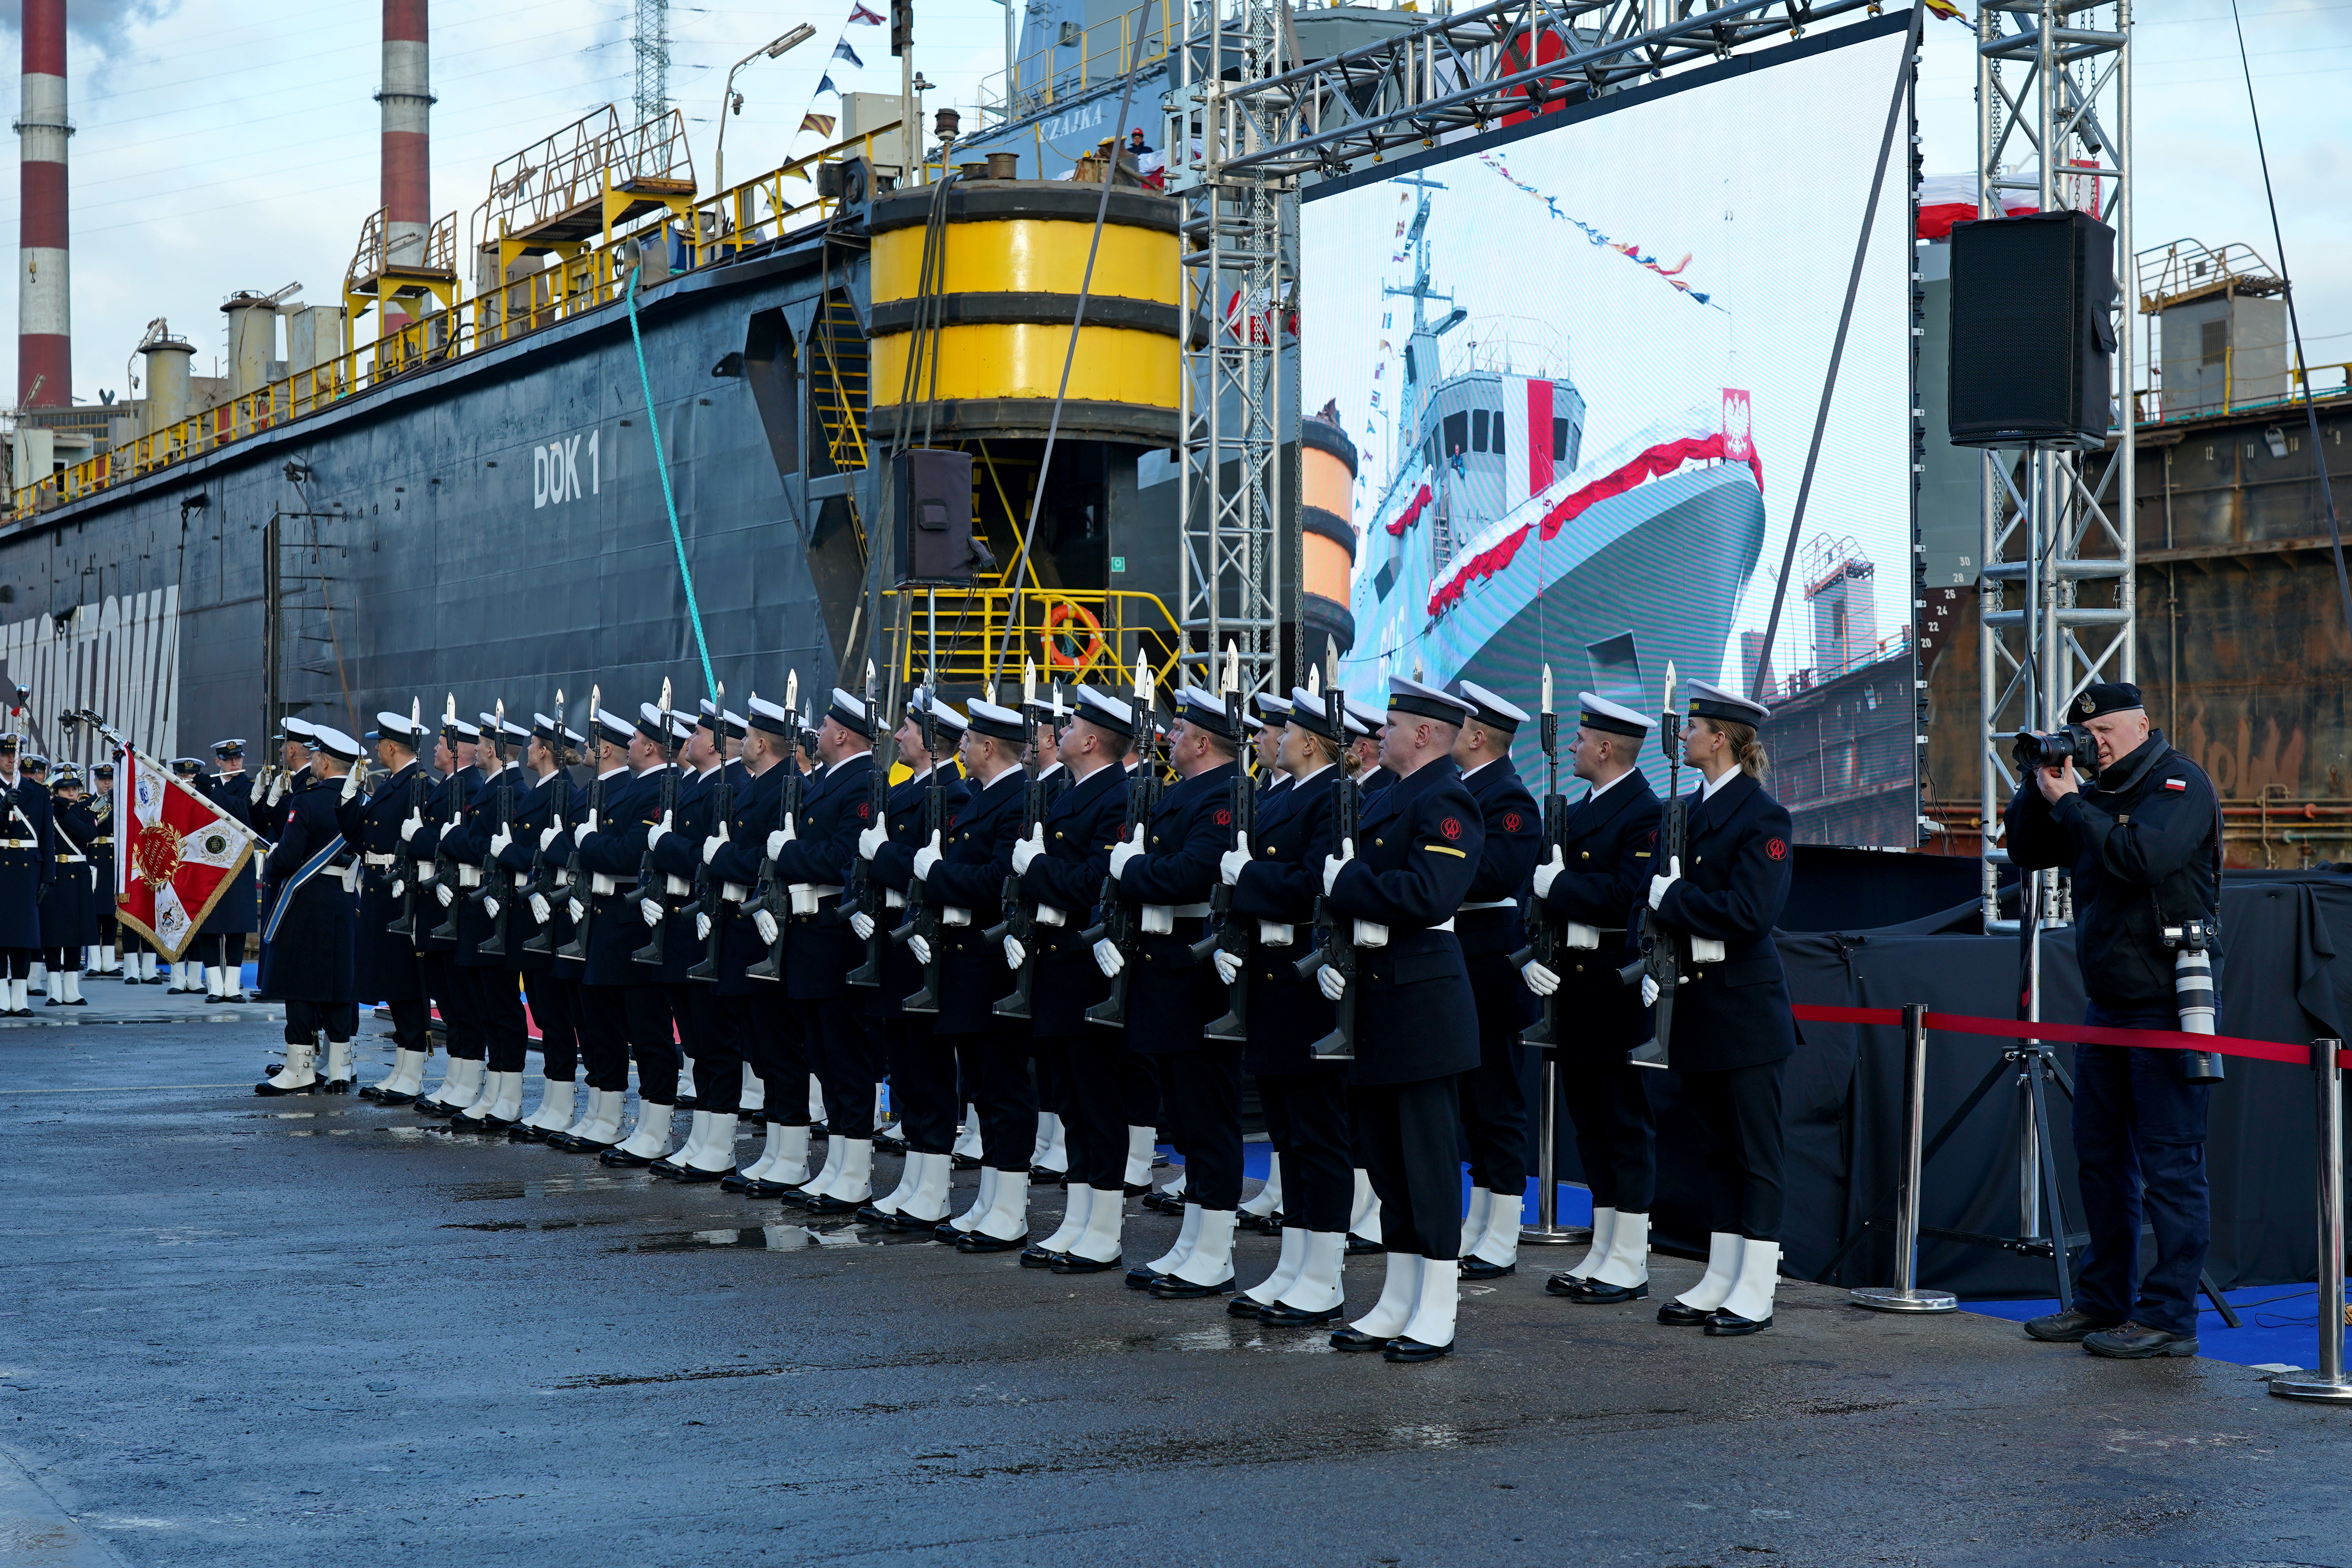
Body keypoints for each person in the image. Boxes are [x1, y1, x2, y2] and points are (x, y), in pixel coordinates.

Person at [2004, 680, 2223, 1360]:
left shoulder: (2180, 784)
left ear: (2140, 725)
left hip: (2166, 1001)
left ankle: (2169, 1315)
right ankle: (2105, 1298)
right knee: (2100, 1160)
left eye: (2103, 731)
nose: (2093, 742)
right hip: (2107, 1004)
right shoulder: (2091, 794)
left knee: (2170, 1163)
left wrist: (2073, 801)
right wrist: (2036, 777)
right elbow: (2026, 848)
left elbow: (2140, 858)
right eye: (2084, 732)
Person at [1315, 675, 1484, 1363]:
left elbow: (1427, 892)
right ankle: (1398, 1295)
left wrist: (1345, 884)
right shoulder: (1384, 795)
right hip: (1379, 998)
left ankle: (1437, 1306)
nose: (1375, 733)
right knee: (1386, 1162)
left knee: (1428, 1163)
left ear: (1424, 732)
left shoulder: (1447, 799)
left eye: (1390, 723)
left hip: (1422, 1002)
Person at [1645, 681, 1799, 1338]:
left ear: (1722, 740)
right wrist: (1650, 962)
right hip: (1696, 1006)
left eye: (1694, 727)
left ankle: (1757, 1285)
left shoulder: (1762, 818)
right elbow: (1645, 902)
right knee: (1713, 1150)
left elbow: (1751, 914)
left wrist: (1672, 902)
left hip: (1743, 1008)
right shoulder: (1681, 810)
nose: (1683, 736)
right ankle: (1722, 1273)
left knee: (1753, 1151)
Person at [1101, 684, 1245, 1297]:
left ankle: (1215, 1250)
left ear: (1203, 743)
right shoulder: (1183, 792)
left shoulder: (1225, 796)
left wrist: (1130, 870)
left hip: (1194, 969)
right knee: (1183, 1118)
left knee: (1207, 1116)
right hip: (1163, 968)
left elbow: (1194, 871)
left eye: (1181, 732)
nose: (1171, 739)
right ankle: (1193, 1240)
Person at [1519, 693, 1664, 1303]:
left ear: (1606, 749)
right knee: (1589, 1124)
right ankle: (1605, 1246)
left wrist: (1560, 886)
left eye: (1581, 739)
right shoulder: (1581, 809)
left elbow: (1624, 898)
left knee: (1620, 1122)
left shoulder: (1642, 812)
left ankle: (1630, 1255)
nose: (1573, 747)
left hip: (1612, 987)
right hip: (1572, 989)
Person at [1222, 687, 1359, 1324]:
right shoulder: (1283, 794)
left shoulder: (1335, 798)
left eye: (1283, 733)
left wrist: (1246, 877)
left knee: (1317, 1134)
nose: (1270, 739)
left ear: (1308, 741)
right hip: (1272, 980)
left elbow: (1313, 886)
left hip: (1308, 983)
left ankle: (1325, 1273)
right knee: (1287, 1134)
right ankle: (1295, 1261)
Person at [1005, 684, 1131, 1272]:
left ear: (1092, 740)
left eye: (1074, 722)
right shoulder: (1066, 791)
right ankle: (1078, 1217)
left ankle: (1102, 1228)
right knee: (1071, 1104)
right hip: (1055, 966)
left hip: (1085, 966)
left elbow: (1094, 884)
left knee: (1097, 1103)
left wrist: (1037, 871)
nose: (1063, 730)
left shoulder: (1116, 797)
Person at [914, 696, 1035, 1251]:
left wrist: (936, 874)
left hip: (991, 964)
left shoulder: (1017, 800)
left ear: (989, 747)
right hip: (967, 964)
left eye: (967, 740)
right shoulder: (987, 797)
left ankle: (1010, 1209)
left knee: (1004, 1089)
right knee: (983, 1090)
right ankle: (989, 1199)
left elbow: (996, 881)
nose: (959, 746)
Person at [854, 689, 969, 1225]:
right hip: (895, 938)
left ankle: (934, 1187)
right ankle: (916, 1181)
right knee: (905, 1068)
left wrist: (884, 855)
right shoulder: (910, 791)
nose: (897, 736)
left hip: (925, 942)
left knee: (928, 1072)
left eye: (906, 729)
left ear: (931, 741)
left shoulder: (953, 794)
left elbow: (934, 869)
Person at [762, 688, 880, 1208]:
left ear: (841, 734)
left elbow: (841, 860)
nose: (817, 732)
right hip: (809, 938)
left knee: (845, 1060)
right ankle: (836, 1164)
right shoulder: (827, 781)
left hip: (835, 939)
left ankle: (855, 1173)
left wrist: (788, 854)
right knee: (824, 1061)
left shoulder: (862, 782)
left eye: (825, 723)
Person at [1444, 680, 1544, 1280]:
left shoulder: (1509, 800)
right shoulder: (1463, 793)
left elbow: (1489, 877)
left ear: (1478, 736)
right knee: (1470, 1107)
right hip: (1462, 963)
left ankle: (1503, 1231)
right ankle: (1478, 1221)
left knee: (1497, 1106)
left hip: (1489, 967)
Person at [256, 726, 364, 1096]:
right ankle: (338, 1070)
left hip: (306, 901)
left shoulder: (308, 800)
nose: (313, 760)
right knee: (337, 984)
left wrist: (272, 862)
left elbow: (287, 856)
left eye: (316, 756)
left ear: (325, 761)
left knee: (299, 985)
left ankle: (299, 1069)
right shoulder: (361, 801)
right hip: (344, 900)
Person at [498, 709, 591, 1142]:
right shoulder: (541, 791)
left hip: (551, 918)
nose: (525, 750)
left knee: (555, 1016)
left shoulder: (569, 797)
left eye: (532, 743)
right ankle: (553, 1101)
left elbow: (558, 857)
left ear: (545, 750)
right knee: (542, 1007)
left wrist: (511, 856)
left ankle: (563, 1102)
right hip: (530, 914)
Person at [355, 713, 436, 1104]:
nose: (375, 749)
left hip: (402, 893)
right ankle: (402, 1068)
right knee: (392, 982)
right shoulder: (394, 784)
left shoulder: (418, 785)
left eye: (380, 743)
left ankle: (414, 1072)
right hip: (381, 891)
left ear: (391, 746)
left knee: (406, 983)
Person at [410, 713, 486, 1115]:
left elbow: (457, 846)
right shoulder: (448, 787)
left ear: (460, 750)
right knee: (449, 1000)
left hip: (456, 908)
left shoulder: (471, 787)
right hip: (436, 905)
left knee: (462, 1001)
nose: (435, 749)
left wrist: (420, 838)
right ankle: (456, 1076)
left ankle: (468, 1079)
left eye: (442, 743)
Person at [192, 739, 257, 1002]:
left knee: (236, 924)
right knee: (209, 923)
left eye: (238, 758)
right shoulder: (207, 786)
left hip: (238, 862)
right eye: (229, 759)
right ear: (218, 761)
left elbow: (244, 813)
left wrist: (214, 794)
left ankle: (232, 985)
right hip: (209, 860)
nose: (235, 763)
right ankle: (214, 986)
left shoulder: (248, 787)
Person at [0, 735, 51, 1017]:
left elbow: (48, 839)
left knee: (22, 938)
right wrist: (2, 807)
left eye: (15, 755)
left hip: (27, 871)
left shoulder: (38, 792)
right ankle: (0, 998)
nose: (11, 760)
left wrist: (48, 877)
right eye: (6, 755)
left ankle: (20, 999)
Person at [40, 767, 96, 1006]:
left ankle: (72, 989)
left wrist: (66, 814)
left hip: (77, 875)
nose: (71, 794)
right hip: (54, 874)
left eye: (74, 789)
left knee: (75, 934)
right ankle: (54, 989)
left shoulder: (85, 812)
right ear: (57, 792)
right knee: (53, 934)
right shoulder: (47, 813)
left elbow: (88, 835)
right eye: (66, 790)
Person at [85, 761, 120, 979]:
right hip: (94, 860)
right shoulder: (88, 802)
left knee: (111, 912)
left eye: (110, 779)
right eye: (103, 779)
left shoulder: (119, 803)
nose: (107, 783)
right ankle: (93, 961)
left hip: (113, 860)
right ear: (96, 780)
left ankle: (109, 961)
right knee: (92, 913)